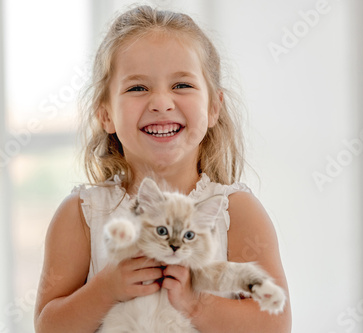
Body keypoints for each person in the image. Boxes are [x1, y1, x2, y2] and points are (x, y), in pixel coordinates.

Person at [34, 5, 291, 332]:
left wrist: (196, 303)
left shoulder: (236, 211)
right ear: (105, 114)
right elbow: (48, 326)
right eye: (137, 88)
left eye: (182, 85)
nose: (161, 102)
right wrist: (106, 289)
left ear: (213, 108)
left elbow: (275, 325)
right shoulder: (81, 215)